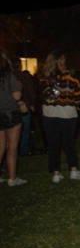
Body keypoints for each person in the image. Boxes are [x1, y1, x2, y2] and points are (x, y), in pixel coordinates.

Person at [40, 51, 80, 183]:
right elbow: (77, 95)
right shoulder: (71, 77)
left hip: (49, 113)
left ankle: (56, 172)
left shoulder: (44, 78)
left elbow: (44, 97)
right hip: (68, 114)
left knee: (53, 143)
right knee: (68, 142)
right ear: (61, 61)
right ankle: (73, 169)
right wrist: (74, 103)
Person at [0, 50, 26, 186]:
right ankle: (12, 178)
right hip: (11, 114)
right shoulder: (10, 77)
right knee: (12, 147)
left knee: (0, 147)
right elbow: (16, 96)